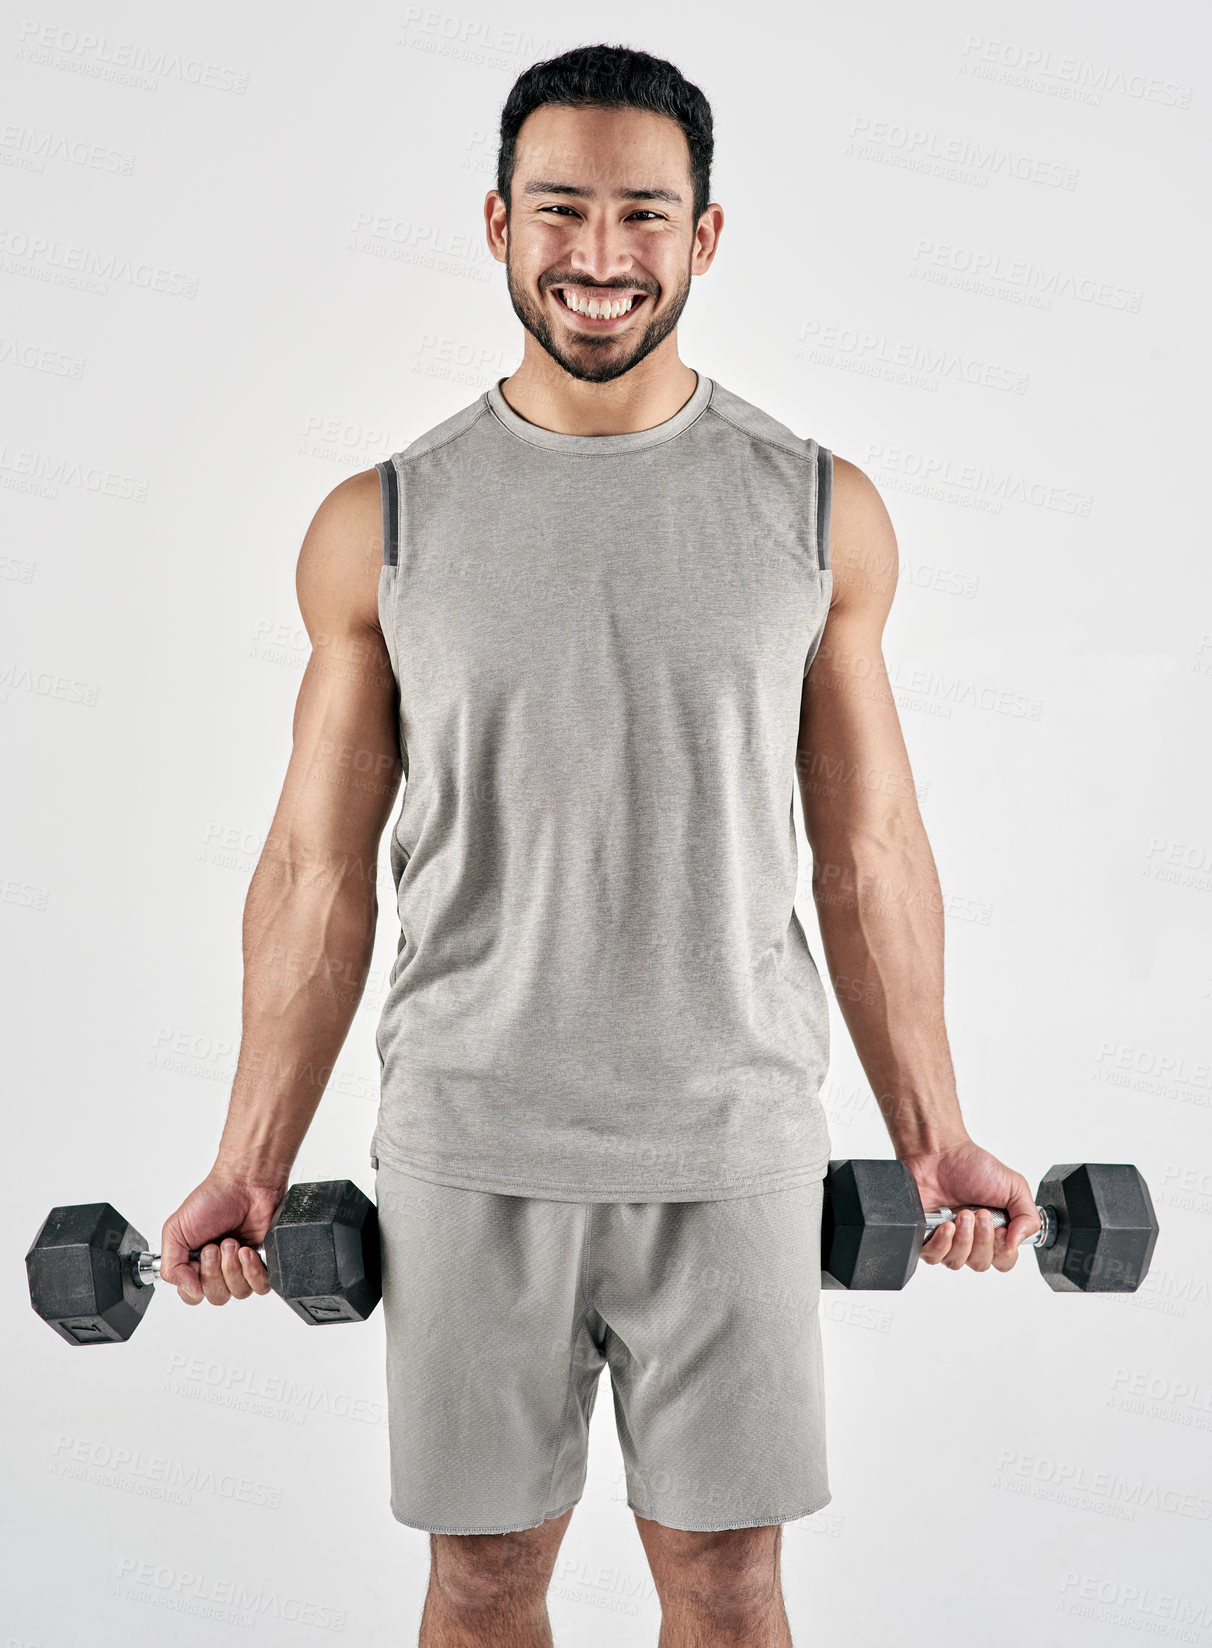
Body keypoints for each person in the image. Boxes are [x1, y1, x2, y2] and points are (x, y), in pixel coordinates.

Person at [161, 43, 1043, 1648]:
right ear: (498, 222)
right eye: (561, 209)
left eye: (645, 215)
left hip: (734, 1143)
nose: (599, 255)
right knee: (485, 1583)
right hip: (470, 1139)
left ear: (705, 238)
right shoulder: (385, 523)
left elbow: (872, 850)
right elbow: (311, 871)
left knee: (728, 1582)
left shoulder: (817, 511)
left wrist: (939, 1134)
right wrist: (248, 1159)